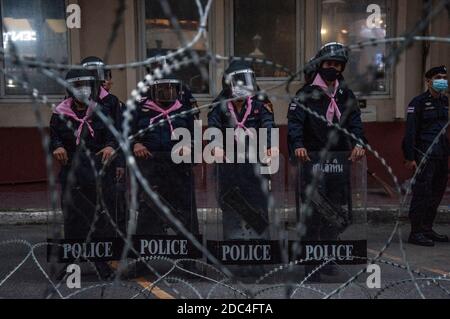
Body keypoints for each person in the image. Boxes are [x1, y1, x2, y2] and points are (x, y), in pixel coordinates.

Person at [287, 42, 366, 278]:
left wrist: (360, 143)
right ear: (320, 65)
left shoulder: (346, 94)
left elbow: (355, 123)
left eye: (337, 65)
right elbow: (294, 124)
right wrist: (298, 145)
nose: (333, 68)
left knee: (334, 212)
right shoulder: (305, 93)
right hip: (312, 161)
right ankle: (311, 262)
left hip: (338, 163)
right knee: (313, 212)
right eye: (329, 64)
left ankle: (329, 257)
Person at [50, 68, 118, 279]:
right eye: (78, 86)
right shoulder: (60, 112)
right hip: (72, 172)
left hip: (97, 172)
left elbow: (114, 135)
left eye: (86, 85)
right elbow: (53, 137)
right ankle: (71, 265)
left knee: (99, 219)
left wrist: (110, 146)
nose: (83, 90)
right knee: (72, 219)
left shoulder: (102, 110)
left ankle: (101, 264)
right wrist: (58, 146)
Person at [208, 60, 278, 241]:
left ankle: (260, 252)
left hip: (254, 166)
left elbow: (268, 124)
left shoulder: (260, 101)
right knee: (231, 207)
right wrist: (215, 146)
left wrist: (271, 145)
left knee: (258, 207)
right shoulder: (219, 104)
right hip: (229, 167)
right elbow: (214, 127)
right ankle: (232, 252)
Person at [131, 73, 200, 237]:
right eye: (162, 88)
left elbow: (196, 137)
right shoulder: (140, 109)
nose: (167, 91)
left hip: (178, 168)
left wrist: (189, 146)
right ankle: (146, 259)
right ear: (153, 89)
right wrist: (136, 144)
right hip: (150, 167)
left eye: (171, 87)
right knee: (149, 211)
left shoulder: (184, 110)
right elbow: (127, 133)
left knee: (185, 212)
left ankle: (188, 259)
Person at [402, 65, 449, 247]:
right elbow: (410, 131)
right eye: (438, 77)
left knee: (436, 193)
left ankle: (427, 228)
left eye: (444, 77)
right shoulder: (418, 102)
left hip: (441, 154)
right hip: (424, 154)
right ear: (428, 81)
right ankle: (416, 232)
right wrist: (409, 156)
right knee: (422, 193)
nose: (442, 80)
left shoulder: (444, 101)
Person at [81, 56, 127, 236]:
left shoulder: (113, 102)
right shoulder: (74, 101)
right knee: (86, 205)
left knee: (115, 203)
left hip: (110, 160)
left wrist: (120, 163)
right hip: (85, 162)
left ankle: (117, 244)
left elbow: (120, 134)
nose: (106, 81)